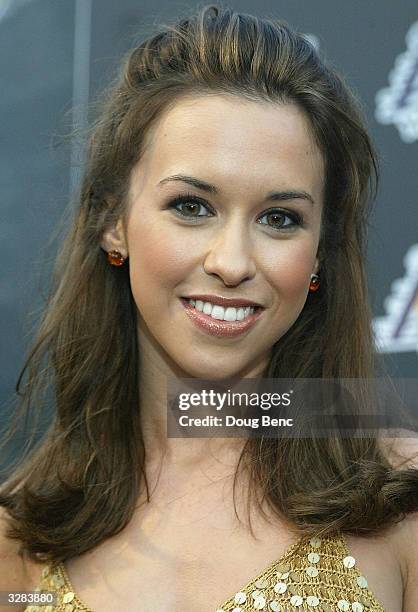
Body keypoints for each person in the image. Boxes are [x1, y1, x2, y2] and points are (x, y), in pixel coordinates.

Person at [1, 4, 417, 611]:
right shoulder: (24, 533)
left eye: (280, 219)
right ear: (112, 220)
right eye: (192, 206)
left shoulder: (400, 496)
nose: (231, 261)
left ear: (320, 253)